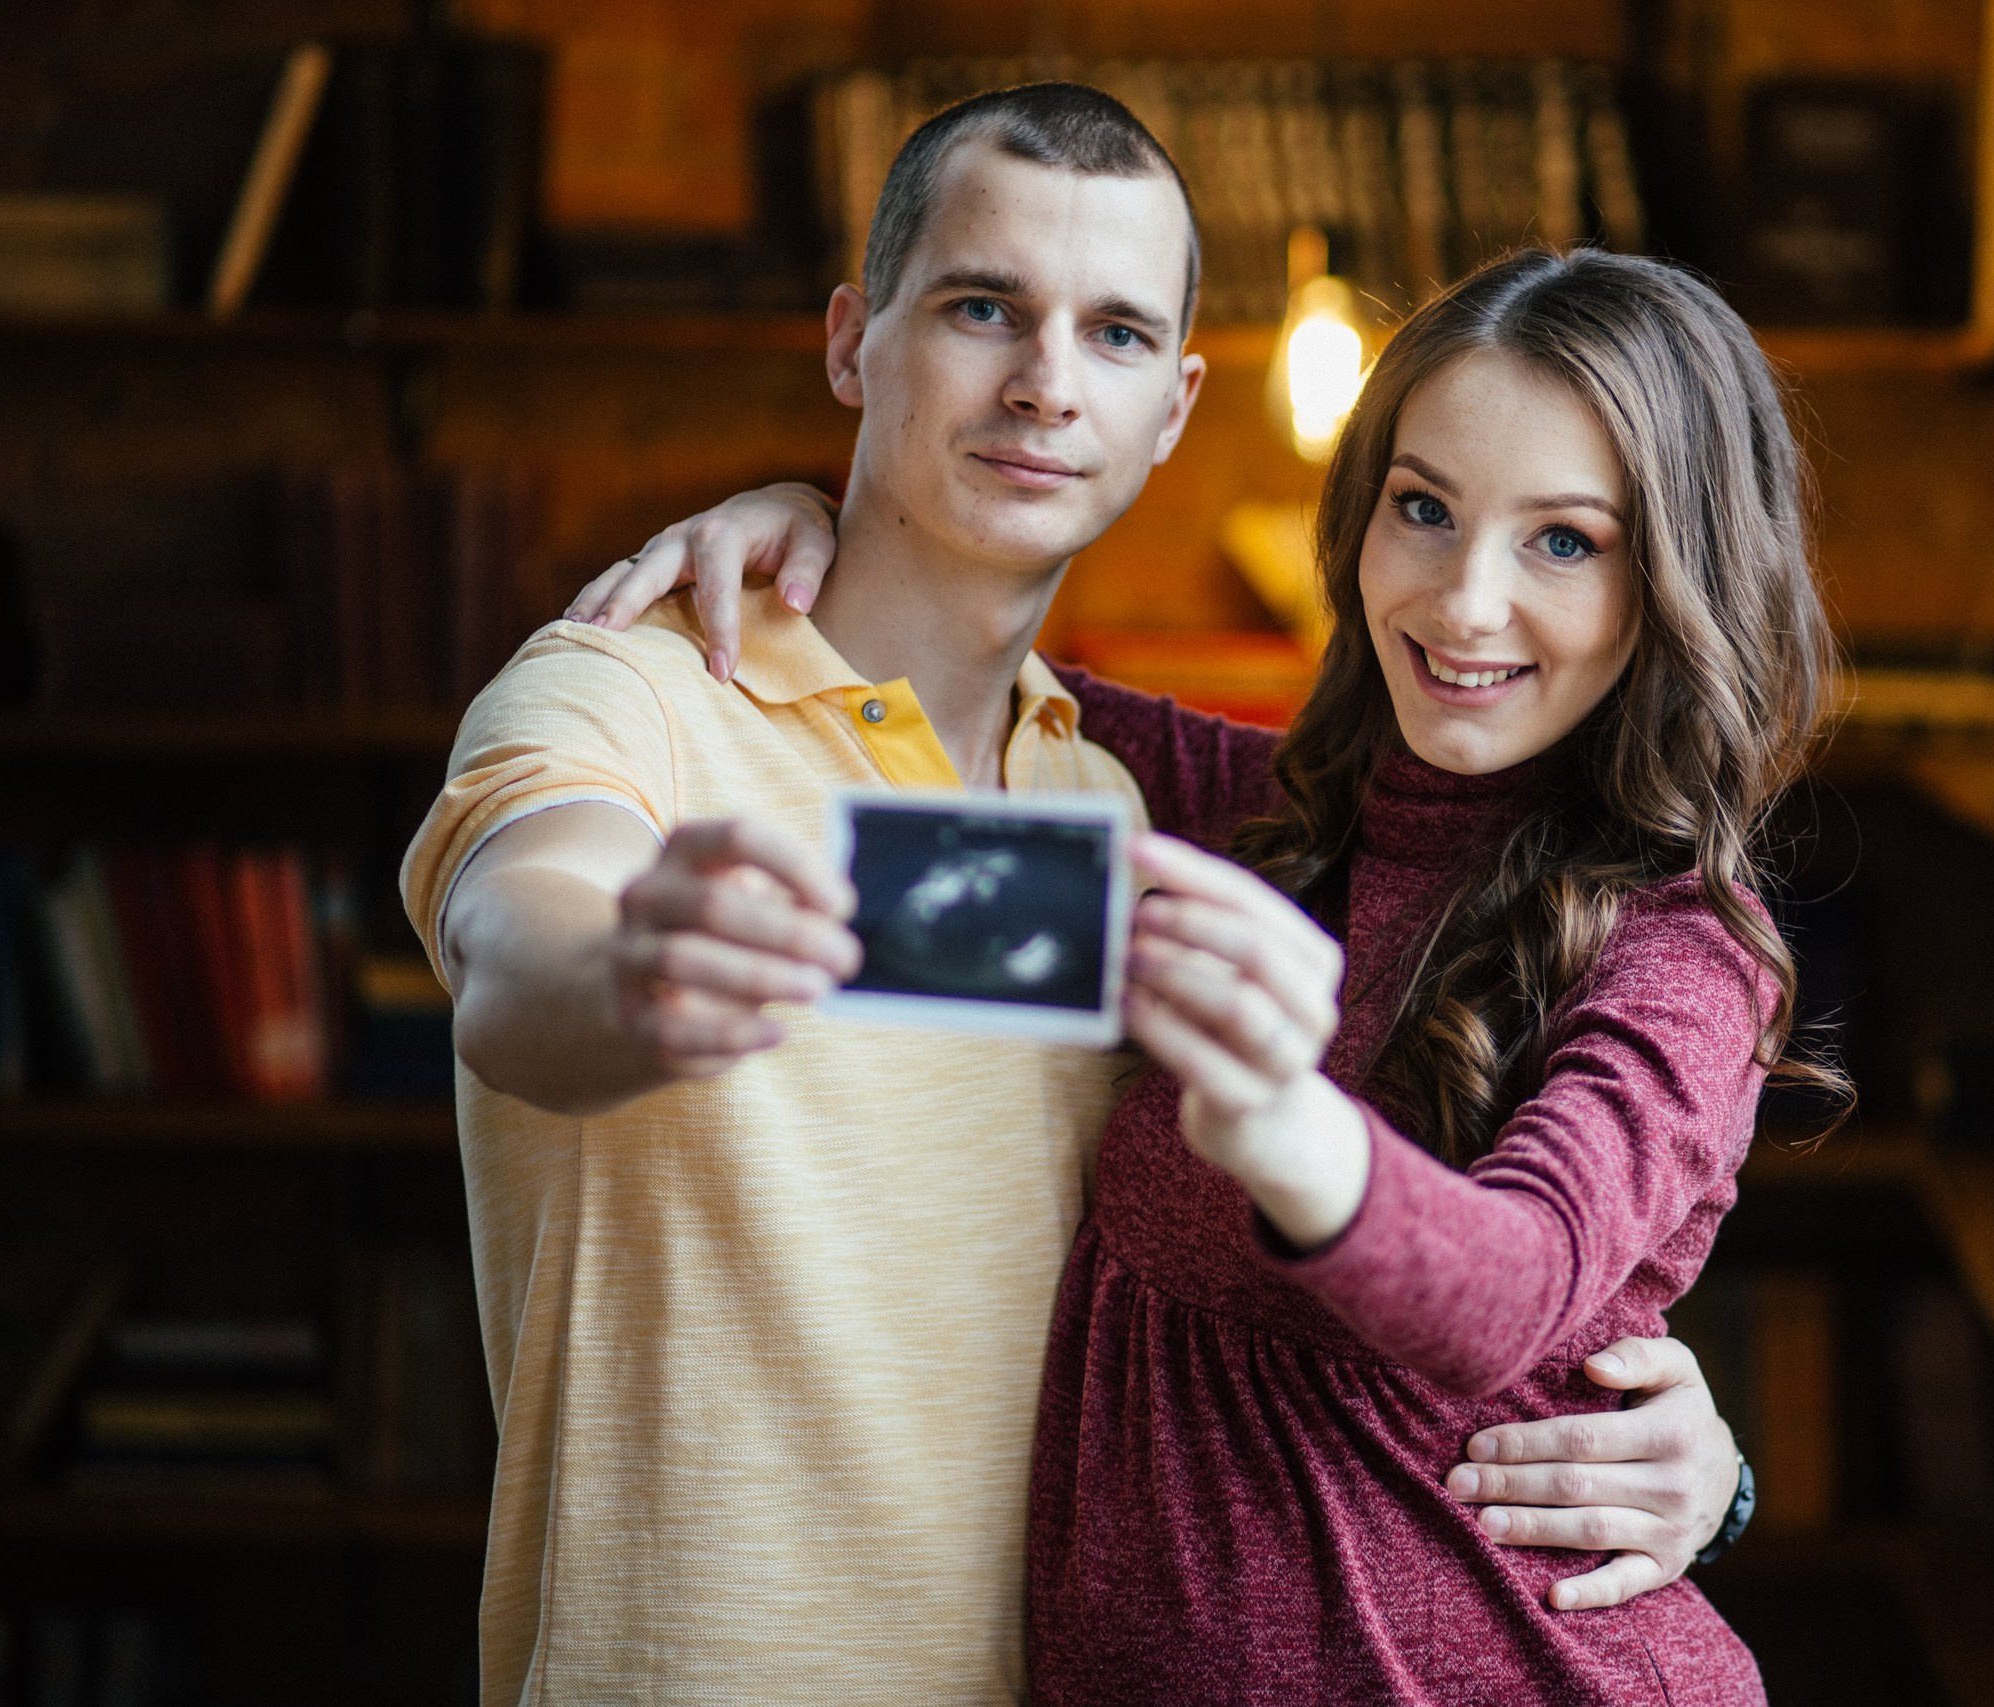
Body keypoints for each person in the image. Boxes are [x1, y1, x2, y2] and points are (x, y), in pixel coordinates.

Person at [408, 86, 1736, 1706]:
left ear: (1174, 407)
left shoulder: (1120, 804)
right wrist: (638, 978)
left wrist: (1712, 1473)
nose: (1043, 385)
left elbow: (1514, 1269)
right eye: (981, 309)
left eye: (1111, 334)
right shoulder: (641, 703)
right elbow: (513, 958)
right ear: (854, 344)